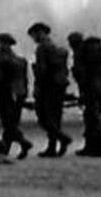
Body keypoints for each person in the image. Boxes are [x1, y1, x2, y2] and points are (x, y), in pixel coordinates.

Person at [27, 22, 72, 157]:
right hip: (58, 86)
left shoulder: (42, 48)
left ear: (39, 33)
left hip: (47, 87)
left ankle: (62, 139)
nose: (33, 38)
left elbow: (42, 70)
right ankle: (53, 146)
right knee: (55, 117)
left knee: (43, 117)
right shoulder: (56, 47)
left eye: (34, 35)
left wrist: (37, 87)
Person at [0, 33, 33, 163]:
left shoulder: (0, 60)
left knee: (8, 124)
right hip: (19, 94)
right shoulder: (20, 60)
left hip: (6, 94)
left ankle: (23, 142)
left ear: (4, 45)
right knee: (11, 123)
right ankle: (3, 152)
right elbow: (25, 80)